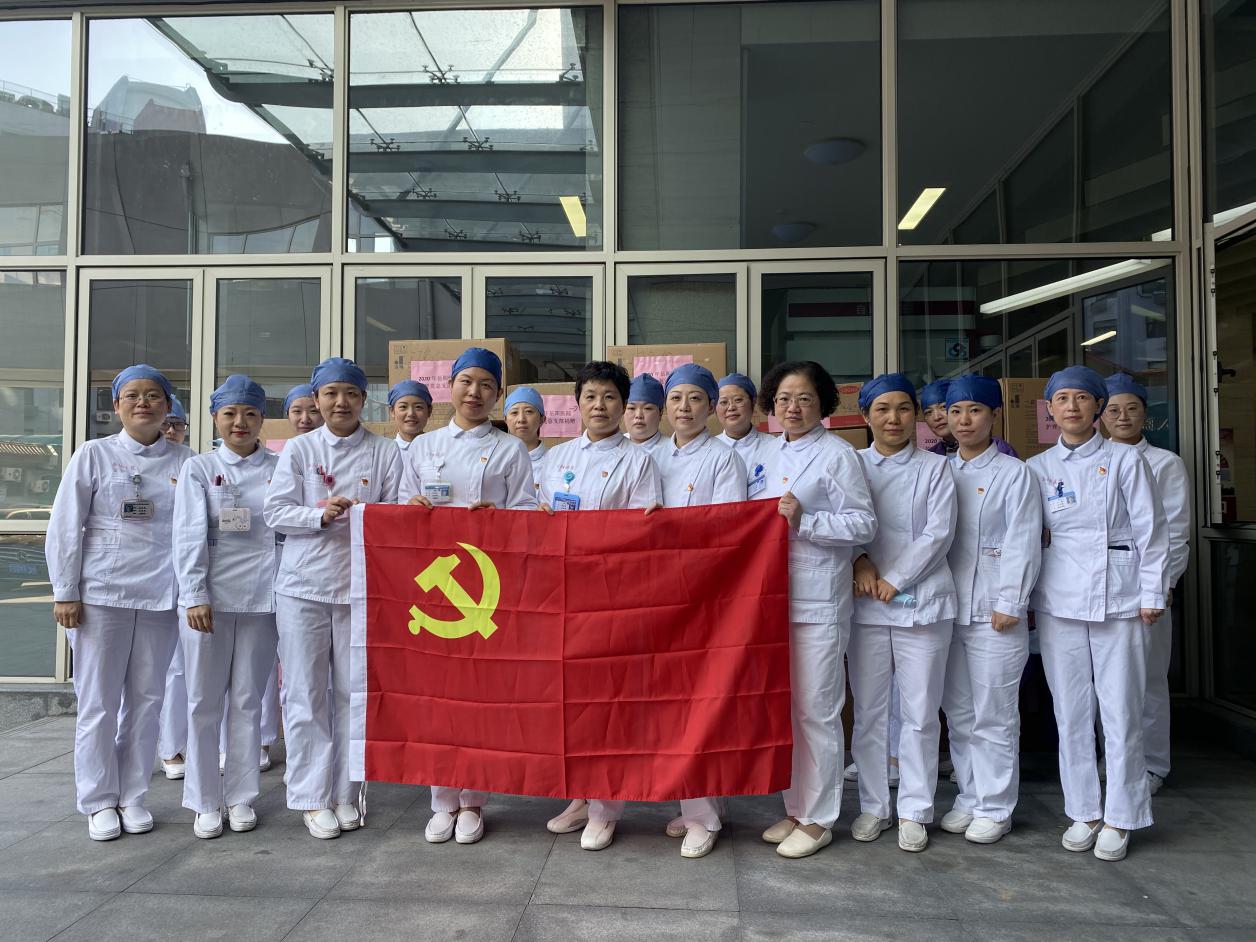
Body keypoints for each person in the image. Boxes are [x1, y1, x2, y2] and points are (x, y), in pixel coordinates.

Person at [47, 364, 194, 840]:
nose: (143, 403)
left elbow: (196, 533)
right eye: (132, 395)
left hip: (160, 596)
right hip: (100, 597)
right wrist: (66, 591)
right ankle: (97, 800)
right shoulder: (94, 455)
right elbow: (65, 526)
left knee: (147, 702)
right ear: (116, 406)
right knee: (98, 702)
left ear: (167, 406)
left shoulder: (186, 462)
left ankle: (132, 795)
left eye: (153, 395)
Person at [1027, 365, 1168, 862]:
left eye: (1082, 398)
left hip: (1120, 596)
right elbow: (1029, 536)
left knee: (1121, 710)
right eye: (1062, 399)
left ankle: (1121, 815)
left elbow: (1152, 530)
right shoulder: (1038, 467)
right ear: (1050, 409)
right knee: (1070, 711)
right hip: (1059, 597)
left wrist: (1153, 592)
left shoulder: (1126, 460)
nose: (1072, 407)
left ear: (1098, 407)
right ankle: (1083, 810)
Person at [399, 347, 538, 846]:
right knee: (437, 694)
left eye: (485, 385)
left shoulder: (509, 449)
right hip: (434, 586)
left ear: (497, 393)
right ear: (450, 387)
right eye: (466, 382)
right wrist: (412, 505)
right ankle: (441, 799)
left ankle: (474, 799)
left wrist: (499, 518)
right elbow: (399, 505)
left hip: (486, 586)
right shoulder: (423, 446)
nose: (474, 392)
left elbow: (527, 512)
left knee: (479, 695)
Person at [263, 357, 403, 840]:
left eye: (351, 393)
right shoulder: (300, 449)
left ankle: (346, 792)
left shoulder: (385, 452)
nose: (341, 402)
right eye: (331, 394)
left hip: (360, 588)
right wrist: (317, 515)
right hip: (302, 587)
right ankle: (310, 796)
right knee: (304, 692)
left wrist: (370, 514)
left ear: (364, 400)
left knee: (351, 694)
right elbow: (275, 512)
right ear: (317, 399)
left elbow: (398, 513)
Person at [537, 361, 663, 851]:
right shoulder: (557, 457)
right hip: (562, 594)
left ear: (624, 405)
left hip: (611, 597)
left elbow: (640, 533)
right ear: (577, 403)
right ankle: (579, 795)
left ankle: (606, 806)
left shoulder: (639, 461)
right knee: (569, 700)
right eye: (590, 396)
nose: (599, 406)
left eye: (610, 397)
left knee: (608, 700)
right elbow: (538, 515)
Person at [756, 361, 877, 859]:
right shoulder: (764, 452)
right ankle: (796, 807)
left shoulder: (838, 455)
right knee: (787, 710)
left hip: (819, 599)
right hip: (769, 599)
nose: (793, 407)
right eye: (784, 398)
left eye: (804, 398)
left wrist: (806, 520)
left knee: (818, 711)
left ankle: (820, 817)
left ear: (822, 404)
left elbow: (864, 524)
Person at [847, 373, 957, 853]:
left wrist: (895, 579)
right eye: (883, 409)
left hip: (922, 604)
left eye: (904, 409)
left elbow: (938, 533)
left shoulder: (936, 468)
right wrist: (859, 560)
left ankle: (915, 809)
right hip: (866, 607)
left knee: (920, 713)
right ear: (865, 416)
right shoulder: (851, 464)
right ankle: (874, 806)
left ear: (916, 416)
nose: (893, 419)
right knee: (870, 713)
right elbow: (843, 521)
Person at [173, 375, 280, 839]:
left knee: (247, 700)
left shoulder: (280, 466)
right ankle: (203, 800)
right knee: (202, 701)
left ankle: (240, 795)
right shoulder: (199, 468)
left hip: (264, 599)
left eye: (250, 414)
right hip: (210, 602)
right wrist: (195, 594)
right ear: (215, 418)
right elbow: (188, 534)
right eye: (230, 414)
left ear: (261, 418)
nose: (241, 422)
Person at [938, 375, 1042, 845]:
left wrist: (1011, 601)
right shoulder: (940, 470)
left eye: (975, 410)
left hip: (995, 613)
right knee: (959, 713)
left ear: (994, 416)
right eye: (956, 411)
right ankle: (970, 796)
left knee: (994, 714)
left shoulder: (1014, 473)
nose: (964, 420)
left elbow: (1024, 540)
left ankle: (996, 806)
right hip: (946, 610)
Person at [650, 363, 746, 858]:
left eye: (694, 399)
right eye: (675, 398)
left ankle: (703, 816)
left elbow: (727, 528)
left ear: (711, 406)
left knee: (697, 706)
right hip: (655, 596)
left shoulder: (723, 460)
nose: (684, 408)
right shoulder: (648, 456)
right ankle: (694, 804)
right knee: (668, 707)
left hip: (703, 598)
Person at [1100, 372, 1190, 796]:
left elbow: (1175, 532)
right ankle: (1113, 758)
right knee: (1107, 683)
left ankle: (1152, 764)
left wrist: (1161, 585)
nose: (1122, 417)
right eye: (1113, 409)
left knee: (1148, 679)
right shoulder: (1092, 461)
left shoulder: (1165, 463)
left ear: (1144, 415)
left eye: (1131, 409)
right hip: (1100, 591)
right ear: (1100, 415)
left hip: (1145, 591)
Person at [156, 393, 191, 779]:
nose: (170, 431)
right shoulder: (99, 454)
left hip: (182, 582)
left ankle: (172, 747)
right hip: (129, 583)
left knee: (178, 671)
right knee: (129, 680)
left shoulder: (193, 462)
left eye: (177, 425)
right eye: (167, 424)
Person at [919, 378, 1017, 458]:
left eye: (943, 407)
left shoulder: (1002, 451)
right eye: (928, 412)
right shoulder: (931, 456)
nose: (936, 417)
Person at [714, 372, 774, 497]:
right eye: (723, 402)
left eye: (738, 400)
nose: (731, 407)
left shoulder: (773, 446)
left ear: (753, 402)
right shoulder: (709, 449)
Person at [504, 386, 547, 491]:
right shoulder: (497, 458)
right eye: (514, 413)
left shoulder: (553, 461)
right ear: (505, 420)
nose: (521, 419)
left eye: (529, 411)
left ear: (542, 419)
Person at [624, 373, 665, 455]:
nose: (638, 415)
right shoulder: (614, 445)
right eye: (631, 408)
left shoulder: (671, 450)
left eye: (647, 408)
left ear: (660, 413)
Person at [388, 379, 432, 450]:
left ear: (429, 411)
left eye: (418, 407)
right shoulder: (385, 451)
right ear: (392, 411)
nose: (411, 413)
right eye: (403, 407)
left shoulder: (440, 448)